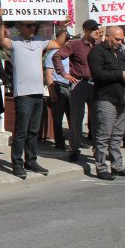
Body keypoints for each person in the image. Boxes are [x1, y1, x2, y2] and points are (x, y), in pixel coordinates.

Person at [0, 10, 65, 179]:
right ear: (19, 27)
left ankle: (31, 160)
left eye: (34, 25)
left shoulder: (39, 42)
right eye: (28, 25)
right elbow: (0, 40)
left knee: (34, 130)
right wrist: (1, 20)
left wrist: (63, 26)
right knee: (21, 131)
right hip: (23, 93)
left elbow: (58, 43)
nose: (32, 28)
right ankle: (17, 163)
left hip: (37, 92)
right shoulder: (15, 42)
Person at [88, 26, 125, 180]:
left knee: (117, 135)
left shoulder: (121, 53)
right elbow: (98, 75)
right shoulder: (97, 52)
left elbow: (123, 73)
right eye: (117, 39)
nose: (120, 42)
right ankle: (102, 167)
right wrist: (119, 74)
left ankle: (117, 165)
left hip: (121, 98)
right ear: (108, 36)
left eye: (122, 39)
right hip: (106, 98)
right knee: (104, 135)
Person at [51, 19, 99, 162]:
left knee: (98, 118)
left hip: (96, 84)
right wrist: (64, 74)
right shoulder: (76, 44)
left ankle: (98, 149)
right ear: (85, 30)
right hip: (80, 82)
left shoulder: (99, 45)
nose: (96, 32)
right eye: (92, 29)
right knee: (77, 118)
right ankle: (74, 149)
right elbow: (57, 56)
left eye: (97, 29)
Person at [44, 30, 71, 150]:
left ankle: (75, 141)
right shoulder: (53, 54)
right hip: (58, 86)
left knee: (73, 117)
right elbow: (48, 74)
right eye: (65, 39)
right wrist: (52, 92)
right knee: (58, 118)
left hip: (71, 88)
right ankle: (59, 142)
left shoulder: (70, 53)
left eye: (69, 38)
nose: (67, 41)